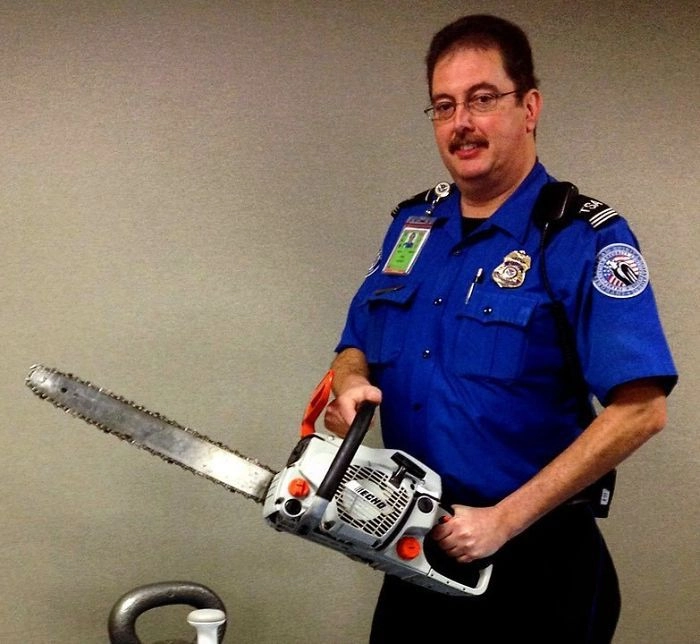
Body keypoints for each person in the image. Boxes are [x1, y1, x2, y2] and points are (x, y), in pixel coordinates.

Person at [323, 14, 677, 644]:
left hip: (535, 562)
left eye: (482, 99)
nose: (461, 122)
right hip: (414, 543)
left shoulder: (580, 238)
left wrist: (503, 521)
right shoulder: (414, 226)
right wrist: (349, 383)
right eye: (444, 106)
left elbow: (642, 410)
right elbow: (355, 342)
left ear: (529, 107)